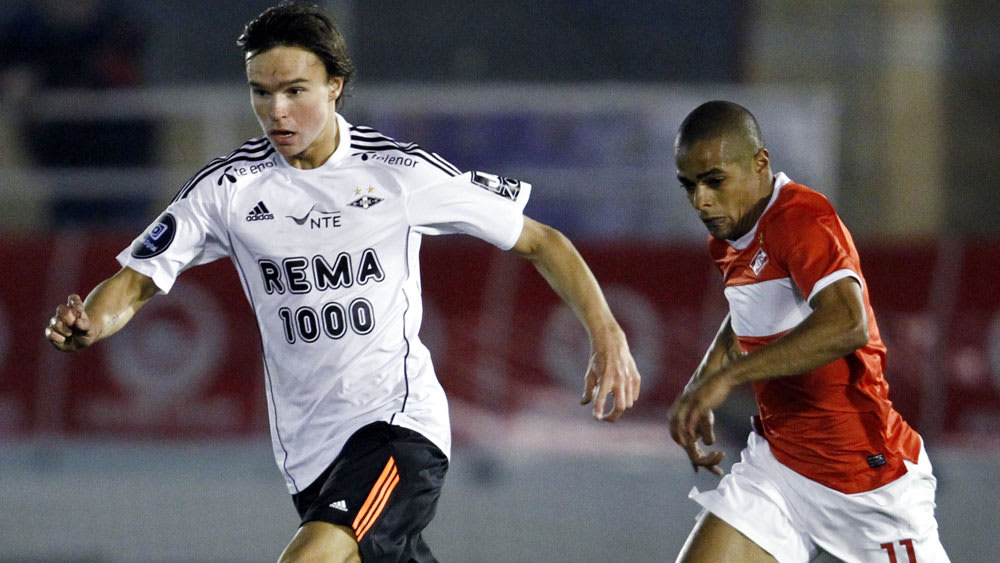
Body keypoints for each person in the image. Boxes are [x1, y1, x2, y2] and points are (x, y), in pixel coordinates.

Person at [43, 3, 641, 562]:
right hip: (309, 453)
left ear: (334, 85)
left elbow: (541, 240)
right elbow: (136, 281)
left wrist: (607, 334)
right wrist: (91, 321)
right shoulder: (228, 189)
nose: (277, 111)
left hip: (398, 428)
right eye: (261, 92)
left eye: (294, 90)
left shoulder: (396, 171)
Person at [667, 101, 949, 562]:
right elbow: (751, 311)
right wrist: (703, 379)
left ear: (760, 163)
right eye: (689, 185)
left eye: (714, 181)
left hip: (865, 477)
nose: (701, 200)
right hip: (779, 469)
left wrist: (729, 378)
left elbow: (847, 323)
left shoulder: (802, 219)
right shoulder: (729, 237)